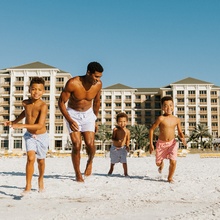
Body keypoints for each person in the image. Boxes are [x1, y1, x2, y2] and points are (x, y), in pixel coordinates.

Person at [58, 61, 104, 182]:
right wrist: (69, 119)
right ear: (88, 72)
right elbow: (61, 102)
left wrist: (95, 119)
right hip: (73, 114)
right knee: (76, 145)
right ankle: (78, 173)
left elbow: (97, 102)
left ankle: (90, 161)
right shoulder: (73, 83)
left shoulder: (98, 85)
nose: (97, 79)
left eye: (99, 77)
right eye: (96, 76)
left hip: (88, 114)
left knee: (90, 144)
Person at [4, 77, 49, 193]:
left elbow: (39, 125)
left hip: (41, 136)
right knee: (30, 158)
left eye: (39, 90)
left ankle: (40, 179)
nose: (36, 92)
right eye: (34, 89)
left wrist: (22, 126)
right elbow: (26, 113)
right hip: (30, 135)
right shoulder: (25, 103)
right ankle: (28, 186)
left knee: (41, 161)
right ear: (29, 89)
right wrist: (14, 122)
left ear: (43, 91)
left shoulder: (43, 106)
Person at [149, 96, 186, 183]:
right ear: (162, 107)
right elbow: (151, 130)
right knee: (157, 163)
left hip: (172, 143)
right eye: (165, 106)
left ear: (173, 106)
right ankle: (161, 165)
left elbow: (180, 132)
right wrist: (151, 144)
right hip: (161, 144)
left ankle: (170, 178)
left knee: (173, 161)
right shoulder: (161, 118)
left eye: (170, 105)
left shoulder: (176, 119)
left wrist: (183, 138)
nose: (168, 108)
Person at [108, 112, 130, 176]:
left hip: (123, 148)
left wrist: (127, 146)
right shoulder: (115, 130)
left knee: (124, 161)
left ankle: (126, 173)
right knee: (113, 162)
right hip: (114, 148)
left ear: (127, 122)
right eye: (120, 121)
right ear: (117, 122)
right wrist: (117, 140)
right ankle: (110, 170)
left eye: (124, 121)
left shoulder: (127, 131)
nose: (122, 123)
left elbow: (128, 140)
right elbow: (113, 138)